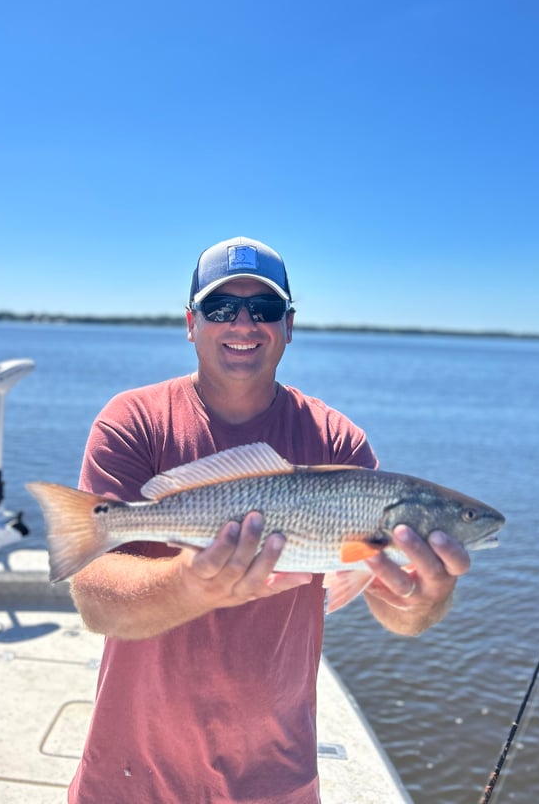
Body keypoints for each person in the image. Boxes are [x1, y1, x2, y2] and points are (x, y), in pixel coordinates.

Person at [68, 236, 471, 804]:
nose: (243, 323)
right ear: (191, 323)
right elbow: (95, 602)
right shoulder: (134, 421)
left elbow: (394, 610)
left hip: (273, 777)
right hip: (131, 773)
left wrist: (425, 596)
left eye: (264, 310)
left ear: (288, 326)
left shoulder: (337, 440)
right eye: (220, 308)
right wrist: (191, 584)